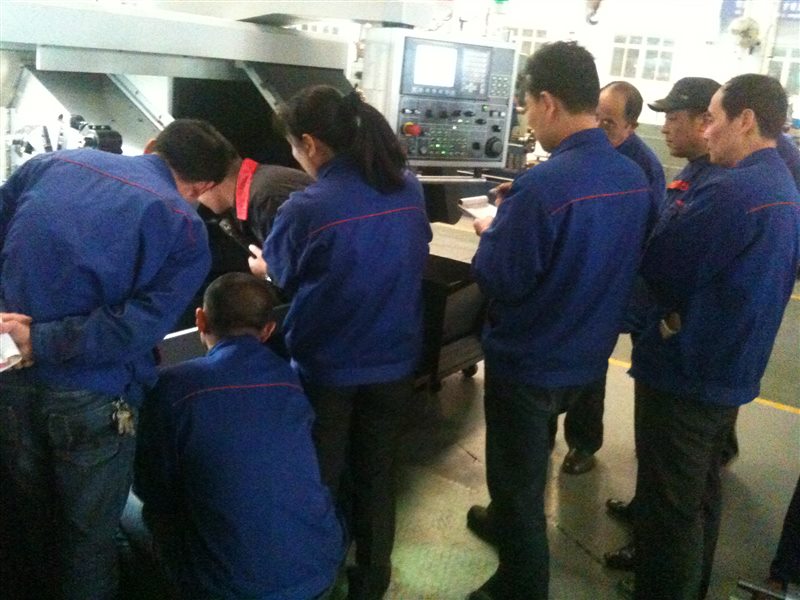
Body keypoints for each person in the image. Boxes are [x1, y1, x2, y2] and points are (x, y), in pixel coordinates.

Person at [0, 119, 236, 600]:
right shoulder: (184, 225)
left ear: (151, 146)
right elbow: (137, 327)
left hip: (7, 378)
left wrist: (14, 331)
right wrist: (39, 341)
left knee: (25, 522)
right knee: (87, 540)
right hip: (92, 398)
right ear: (202, 186)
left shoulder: (49, 164)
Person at [465, 41, 653, 600]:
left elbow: (501, 279)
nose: (527, 119)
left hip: (529, 362)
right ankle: (504, 523)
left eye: (526, 107)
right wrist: (520, 208)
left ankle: (520, 584)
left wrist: (494, 230)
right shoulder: (632, 176)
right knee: (532, 455)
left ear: (547, 102)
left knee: (517, 481)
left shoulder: (544, 186)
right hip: (588, 354)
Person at [249, 85, 432, 600]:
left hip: (328, 368)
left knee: (321, 479)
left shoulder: (307, 207)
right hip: (395, 360)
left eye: (293, 147)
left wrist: (262, 267)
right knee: (376, 475)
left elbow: (283, 275)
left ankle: (317, 579)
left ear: (310, 143)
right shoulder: (407, 187)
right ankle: (371, 580)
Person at [630, 74, 800, 600]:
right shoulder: (780, 185)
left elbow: (662, 265)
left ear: (745, 121)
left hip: (688, 372)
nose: (706, 134)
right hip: (729, 367)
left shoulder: (734, 192)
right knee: (699, 495)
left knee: (669, 512)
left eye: (715, 121)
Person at [132, 272, 346, 599]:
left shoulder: (172, 387)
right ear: (268, 330)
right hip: (321, 570)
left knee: (125, 512)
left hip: (232, 589)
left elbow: (152, 487)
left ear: (200, 319)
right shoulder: (288, 379)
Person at [602, 76, 725, 573]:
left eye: (675, 118)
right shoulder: (696, 172)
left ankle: (653, 554)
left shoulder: (719, 185)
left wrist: (650, 320)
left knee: (679, 477)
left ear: (706, 121)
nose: (667, 127)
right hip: (661, 336)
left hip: (678, 349)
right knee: (655, 454)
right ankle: (644, 513)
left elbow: (669, 263)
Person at [555, 79, 666, 476]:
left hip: (617, 283)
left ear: (631, 127)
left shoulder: (642, 168)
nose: (598, 129)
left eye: (609, 124)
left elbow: (649, 233)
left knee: (593, 361)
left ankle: (584, 443)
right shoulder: (585, 153)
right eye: (595, 118)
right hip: (583, 277)